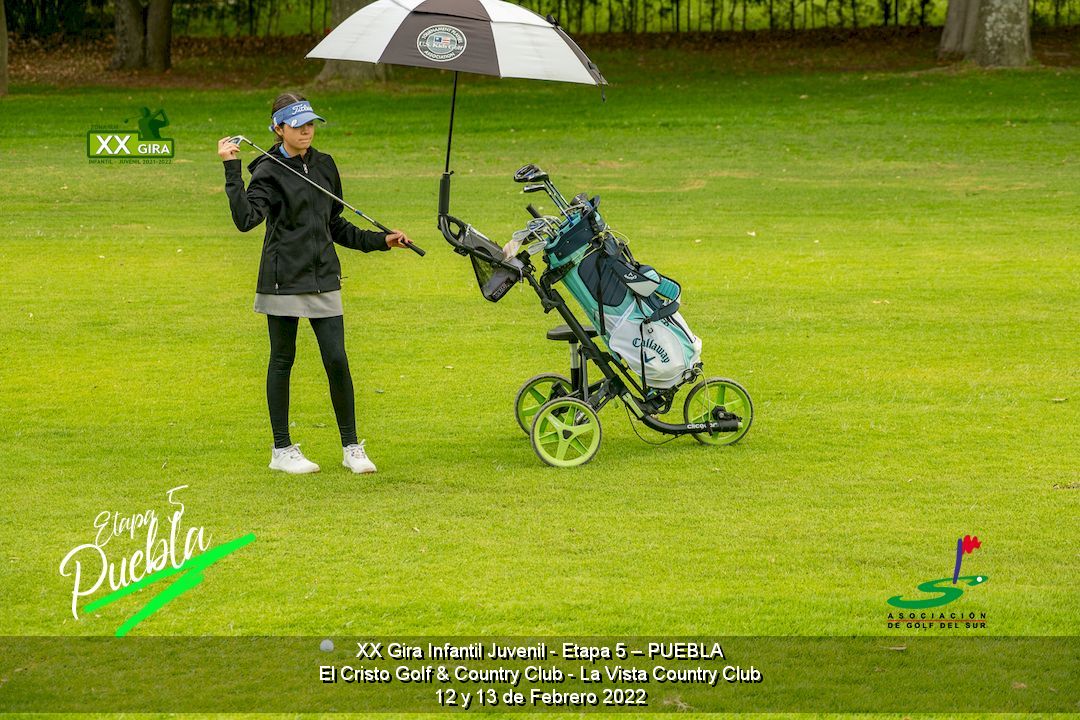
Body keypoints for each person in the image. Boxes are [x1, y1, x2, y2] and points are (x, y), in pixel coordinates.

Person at [217, 92, 414, 476]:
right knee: (282, 360)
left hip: (324, 275)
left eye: (310, 123)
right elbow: (246, 219)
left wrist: (381, 241)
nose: (306, 130)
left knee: (337, 359)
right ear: (278, 129)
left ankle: (352, 447)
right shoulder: (268, 170)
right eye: (297, 125)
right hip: (282, 279)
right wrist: (231, 170)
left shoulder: (325, 165)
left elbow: (334, 224)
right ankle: (281, 450)